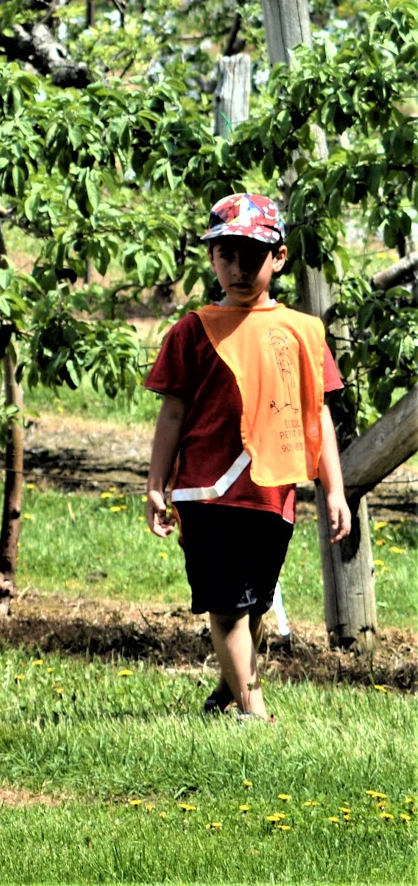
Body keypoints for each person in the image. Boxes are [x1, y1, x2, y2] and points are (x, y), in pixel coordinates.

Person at [145, 192, 352, 722]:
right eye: (227, 254)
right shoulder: (192, 330)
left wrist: (335, 488)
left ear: (279, 257)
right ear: (212, 257)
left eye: (253, 256)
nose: (239, 268)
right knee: (227, 604)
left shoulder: (304, 333)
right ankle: (253, 711)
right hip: (207, 492)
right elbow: (172, 414)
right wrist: (155, 483)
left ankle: (227, 688)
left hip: (272, 493)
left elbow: (317, 414)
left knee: (255, 601)